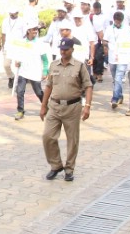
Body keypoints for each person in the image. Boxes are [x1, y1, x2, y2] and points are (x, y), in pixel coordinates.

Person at [39, 38, 92, 182]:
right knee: (48, 136)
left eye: (66, 49)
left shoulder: (79, 66)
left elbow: (88, 86)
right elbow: (49, 86)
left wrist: (87, 106)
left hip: (73, 107)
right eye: (61, 49)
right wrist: (43, 105)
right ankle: (55, 165)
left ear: (72, 50)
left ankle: (69, 169)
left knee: (72, 139)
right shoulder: (54, 65)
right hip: (54, 106)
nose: (63, 52)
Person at [9, 23, 48, 120]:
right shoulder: (22, 43)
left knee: (39, 92)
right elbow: (18, 55)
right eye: (33, 29)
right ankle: (20, 111)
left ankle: (46, 107)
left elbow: (45, 60)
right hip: (23, 71)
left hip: (35, 72)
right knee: (20, 91)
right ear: (28, 31)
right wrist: (17, 62)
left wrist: (45, 71)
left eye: (36, 29)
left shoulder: (40, 44)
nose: (35, 31)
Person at [102, 11, 128, 109]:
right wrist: (106, 48)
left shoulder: (127, 29)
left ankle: (115, 98)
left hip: (123, 57)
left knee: (118, 78)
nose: (118, 22)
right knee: (115, 79)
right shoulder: (109, 29)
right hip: (112, 57)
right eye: (116, 20)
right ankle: (120, 95)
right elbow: (104, 40)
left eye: (119, 20)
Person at [0, 6, 23, 89]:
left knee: (19, 65)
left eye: (14, 13)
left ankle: (21, 80)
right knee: (6, 65)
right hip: (8, 46)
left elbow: (25, 35)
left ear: (17, 13)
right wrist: (2, 45)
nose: (12, 15)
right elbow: (3, 34)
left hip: (19, 46)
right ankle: (11, 77)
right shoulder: (5, 21)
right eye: (11, 13)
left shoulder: (22, 21)